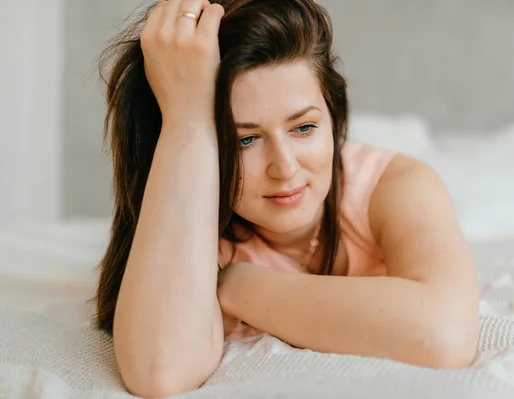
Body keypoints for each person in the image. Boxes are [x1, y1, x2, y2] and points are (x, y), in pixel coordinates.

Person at [93, 0, 480, 397]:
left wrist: (236, 286)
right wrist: (186, 118)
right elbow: (160, 372)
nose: (285, 167)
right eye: (245, 139)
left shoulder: (394, 185)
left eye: (304, 127)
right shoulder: (199, 224)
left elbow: (444, 336)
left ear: (334, 118)